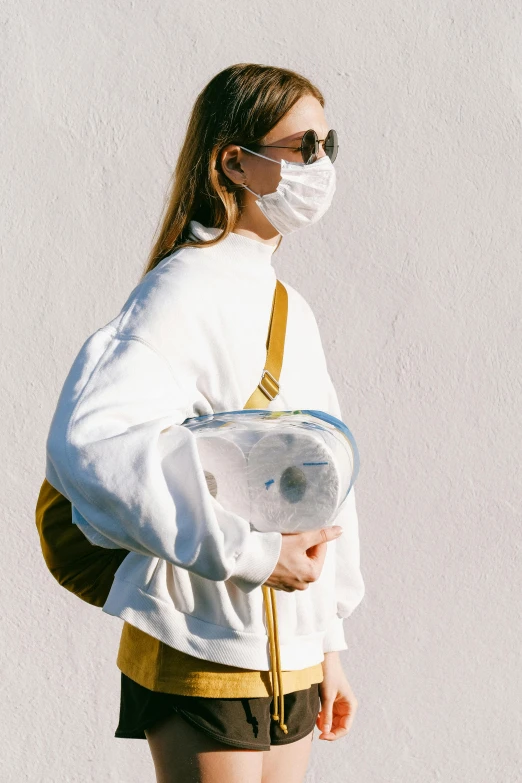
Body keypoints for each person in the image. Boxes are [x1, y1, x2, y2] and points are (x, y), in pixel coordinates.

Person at [44, 63, 365, 783]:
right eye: (303, 147)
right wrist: (253, 556)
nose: (322, 165)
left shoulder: (291, 307)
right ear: (235, 161)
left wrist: (330, 641)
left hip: (293, 659)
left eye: (329, 145)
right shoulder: (181, 289)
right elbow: (95, 445)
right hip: (202, 645)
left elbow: (324, 486)